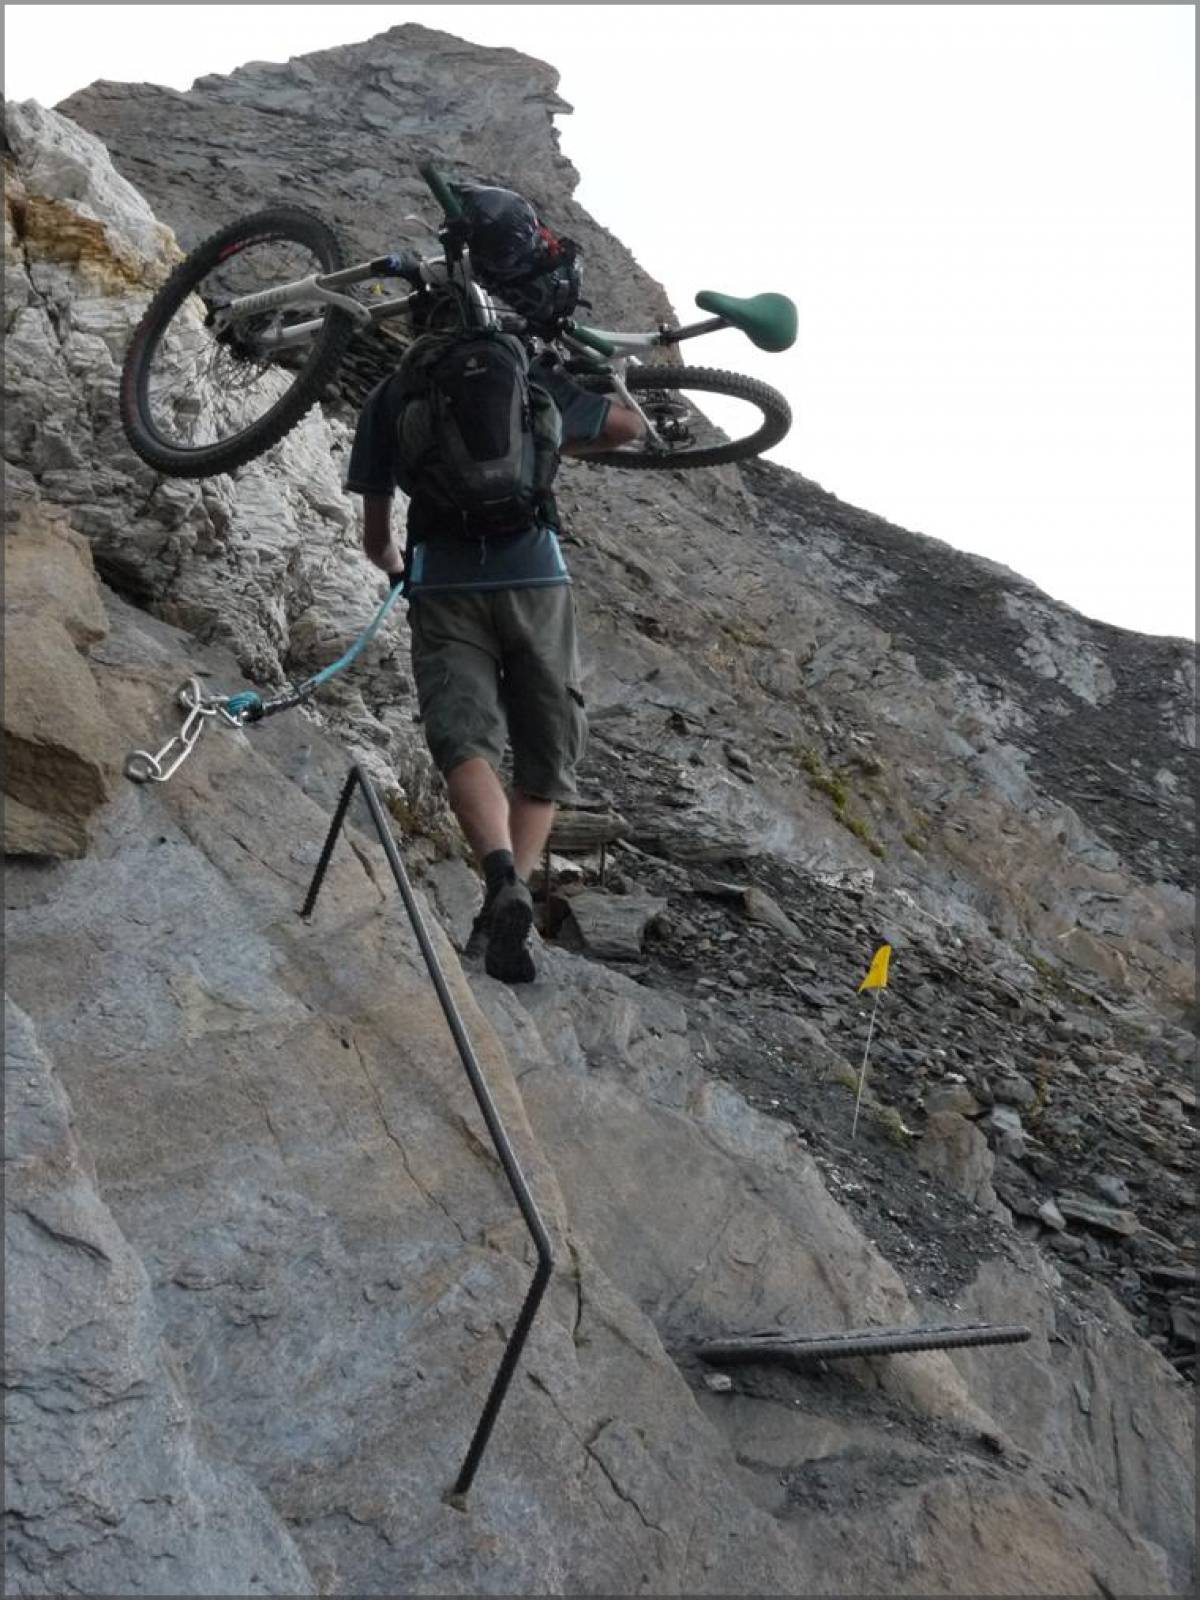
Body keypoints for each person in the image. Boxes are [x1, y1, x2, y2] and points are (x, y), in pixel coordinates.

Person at [345, 187, 643, 983]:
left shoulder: (392, 394)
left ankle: (501, 876)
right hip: (535, 573)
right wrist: (555, 435)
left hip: (443, 585)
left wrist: (398, 569)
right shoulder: (526, 372)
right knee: (546, 751)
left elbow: (375, 535)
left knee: (463, 739)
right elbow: (629, 428)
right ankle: (508, 906)